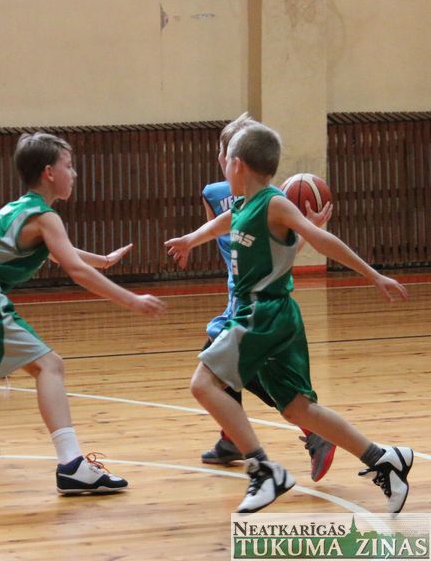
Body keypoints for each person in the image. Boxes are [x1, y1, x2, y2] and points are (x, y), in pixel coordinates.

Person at [165, 122, 413, 515]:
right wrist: (191, 239)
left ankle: (264, 470)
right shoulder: (245, 204)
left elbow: (323, 240)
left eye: (225, 160)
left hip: (260, 313)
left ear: (236, 164)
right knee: (299, 409)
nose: (222, 166)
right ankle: (383, 458)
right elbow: (224, 223)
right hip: (275, 317)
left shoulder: (274, 203)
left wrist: (373, 274)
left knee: (203, 385)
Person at [0, 132, 166, 494]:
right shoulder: (45, 215)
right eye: (68, 166)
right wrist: (131, 300)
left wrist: (103, 260)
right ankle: (72, 465)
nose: (74, 173)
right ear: (49, 173)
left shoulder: (23, 208)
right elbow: (74, 269)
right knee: (49, 365)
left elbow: (61, 251)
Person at [200, 115, 336, 483]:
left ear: (232, 158)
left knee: (229, 367)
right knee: (227, 362)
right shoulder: (265, 196)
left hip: (251, 301)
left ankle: (309, 431)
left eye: (222, 152)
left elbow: (228, 238)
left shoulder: (217, 194)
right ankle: (232, 438)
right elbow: (280, 248)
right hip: (249, 295)